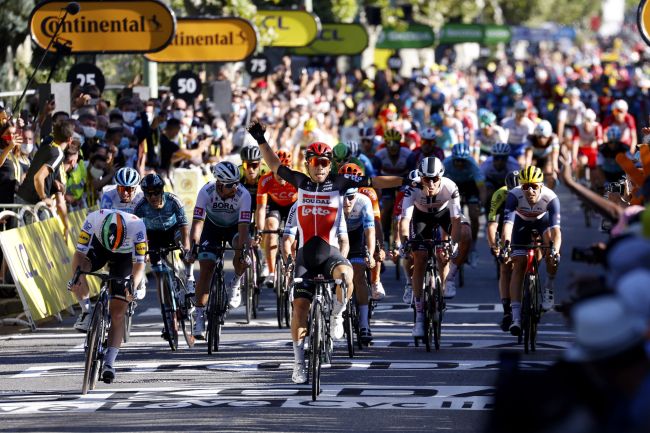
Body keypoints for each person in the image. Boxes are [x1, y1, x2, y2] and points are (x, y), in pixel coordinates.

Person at [247, 120, 405, 385]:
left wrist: (407, 179)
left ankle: (337, 315)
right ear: (307, 163)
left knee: (346, 275)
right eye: (315, 162)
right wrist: (261, 139)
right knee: (299, 308)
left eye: (324, 162)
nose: (320, 167)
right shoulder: (300, 182)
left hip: (330, 253)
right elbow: (274, 166)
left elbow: (374, 181)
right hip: (306, 257)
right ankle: (298, 364)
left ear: (330, 164)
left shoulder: (340, 182)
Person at [67, 209, 148, 382]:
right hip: (100, 248)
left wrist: (132, 287)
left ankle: (109, 363)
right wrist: (77, 277)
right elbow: (79, 254)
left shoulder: (137, 226)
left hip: (125, 257)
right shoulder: (93, 219)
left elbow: (139, 264)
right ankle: (87, 311)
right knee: (80, 270)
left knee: (118, 313)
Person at [398, 157, 471, 336]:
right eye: (426, 179)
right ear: (420, 178)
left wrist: (452, 244)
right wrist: (405, 241)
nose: (430, 183)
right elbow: (404, 221)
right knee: (420, 258)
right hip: (420, 218)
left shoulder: (450, 187)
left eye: (434, 179)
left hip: (443, 214)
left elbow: (455, 220)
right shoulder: (412, 188)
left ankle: (446, 282)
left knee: (456, 242)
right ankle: (420, 317)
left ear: (441, 177)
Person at [187, 161, 251, 340]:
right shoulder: (205, 192)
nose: (235, 187)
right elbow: (198, 223)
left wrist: (242, 250)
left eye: (237, 183)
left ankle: (236, 283)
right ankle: (199, 315)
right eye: (231, 185)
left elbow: (244, 228)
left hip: (234, 228)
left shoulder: (243, 195)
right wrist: (193, 246)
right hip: (212, 227)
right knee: (206, 268)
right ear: (220, 184)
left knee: (240, 245)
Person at [501, 166, 561, 336]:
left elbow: (557, 231)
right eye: (526, 186)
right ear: (521, 186)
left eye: (534, 186)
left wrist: (554, 250)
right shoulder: (514, 195)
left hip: (543, 223)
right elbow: (508, 225)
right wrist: (506, 245)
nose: (530, 190)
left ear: (541, 186)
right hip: (521, 224)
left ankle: (549, 286)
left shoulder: (551, 197)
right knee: (518, 264)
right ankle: (516, 318)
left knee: (552, 253)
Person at [134, 173, 191, 339]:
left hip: (173, 232)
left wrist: (185, 247)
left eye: (156, 192)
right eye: (148, 193)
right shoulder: (140, 207)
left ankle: (187, 281)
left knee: (183, 249)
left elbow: (184, 226)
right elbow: (138, 230)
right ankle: (169, 321)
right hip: (153, 236)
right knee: (159, 274)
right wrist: (141, 251)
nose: (152, 197)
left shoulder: (173, 201)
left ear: (162, 191)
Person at [256, 150, 298, 287]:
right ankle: (272, 271)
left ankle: (294, 270)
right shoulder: (265, 180)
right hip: (275, 206)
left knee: (294, 241)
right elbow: (261, 208)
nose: (281, 175)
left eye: (285, 170)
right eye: (278, 170)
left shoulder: (297, 179)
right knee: (270, 227)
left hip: (293, 205)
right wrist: (259, 230)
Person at [341, 185, 376, 343]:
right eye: (343, 196)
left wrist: (370, 253)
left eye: (351, 197)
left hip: (357, 237)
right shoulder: (331, 202)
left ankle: (364, 324)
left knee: (359, 276)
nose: (347, 202)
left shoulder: (364, 201)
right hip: (337, 236)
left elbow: (370, 231)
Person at [486, 171, 519, 331]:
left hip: (527, 225)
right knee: (505, 267)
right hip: (506, 227)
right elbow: (492, 225)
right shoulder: (500, 194)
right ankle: (507, 311)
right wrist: (495, 247)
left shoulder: (532, 192)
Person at [480, 142, 519, 209]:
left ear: (507, 158)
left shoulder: (513, 165)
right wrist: (482, 200)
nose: (499, 161)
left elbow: (517, 186)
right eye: (497, 158)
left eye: (503, 158)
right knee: (488, 193)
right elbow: (480, 184)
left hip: (506, 183)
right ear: (493, 157)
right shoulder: (486, 164)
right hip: (491, 182)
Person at [524, 120, 560, 189]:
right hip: (534, 158)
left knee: (549, 171)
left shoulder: (554, 138)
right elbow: (528, 158)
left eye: (544, 137)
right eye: (539, 136)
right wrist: (527, 172)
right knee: (528, 170)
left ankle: (549, 193)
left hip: (547, 157)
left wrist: (554, 170)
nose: (541, 139)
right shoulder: (530, 138)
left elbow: (554, 158)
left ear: (549, 136)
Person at [501, 101, 534, 167]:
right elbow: (503, 139)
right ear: (516, 111)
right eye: (520, 110)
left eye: (524, 110)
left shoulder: (529, 124)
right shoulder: (506, 122)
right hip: (509, 146)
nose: (522, 113)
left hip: (521, 147)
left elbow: (530, 142)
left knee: (521, 164)